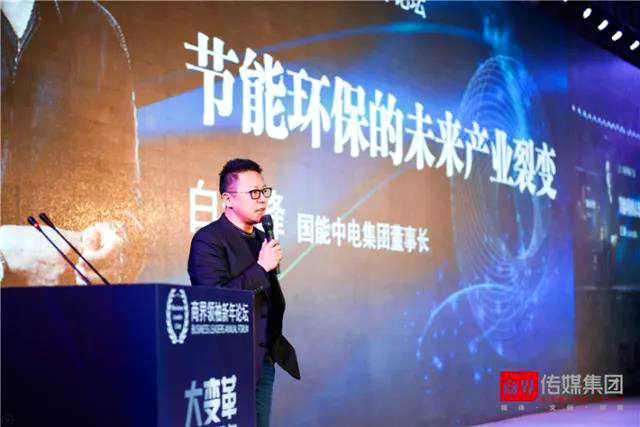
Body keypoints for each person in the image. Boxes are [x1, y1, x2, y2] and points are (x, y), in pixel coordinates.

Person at [188, 159, 300, 427]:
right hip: (227, 361)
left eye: (264, 191)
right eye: (253, 193)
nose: (262, 199)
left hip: (262, 359)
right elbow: (212, 300)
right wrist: (261, 267)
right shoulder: (209, 240)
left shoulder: (262, 238)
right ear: (227, 199)